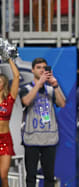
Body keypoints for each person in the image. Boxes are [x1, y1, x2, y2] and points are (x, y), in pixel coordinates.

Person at [20, 57, 66, 187]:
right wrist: (39, 84)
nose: (41, 70)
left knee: (49, 177)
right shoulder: (26, 88)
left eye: (44, 68)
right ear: (32, 70)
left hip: (49, 138)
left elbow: (62, 103)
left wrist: (56, 86)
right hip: (31, 138)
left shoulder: (51, 89)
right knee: (31, 176)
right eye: (38, 68)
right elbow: (26, 101)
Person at [0, 58, 19, 187]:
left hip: (5, 140)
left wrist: (9, 59)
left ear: (4, 83)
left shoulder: (10, 98)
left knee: (3, 175)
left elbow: (17, 76)